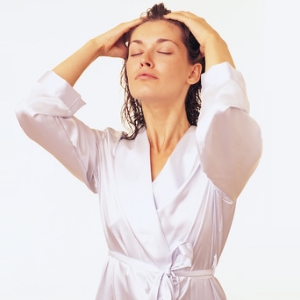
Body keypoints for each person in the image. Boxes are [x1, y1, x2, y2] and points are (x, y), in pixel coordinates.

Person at [16, 3, 262, 300]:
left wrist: (213, 41)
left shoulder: (220, 155)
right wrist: (95, 46)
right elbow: (34, 111)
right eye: (135, 52)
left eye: (164, 51)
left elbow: (226, 115)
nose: (145, 60)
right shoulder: (107, 153)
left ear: (194, 72)